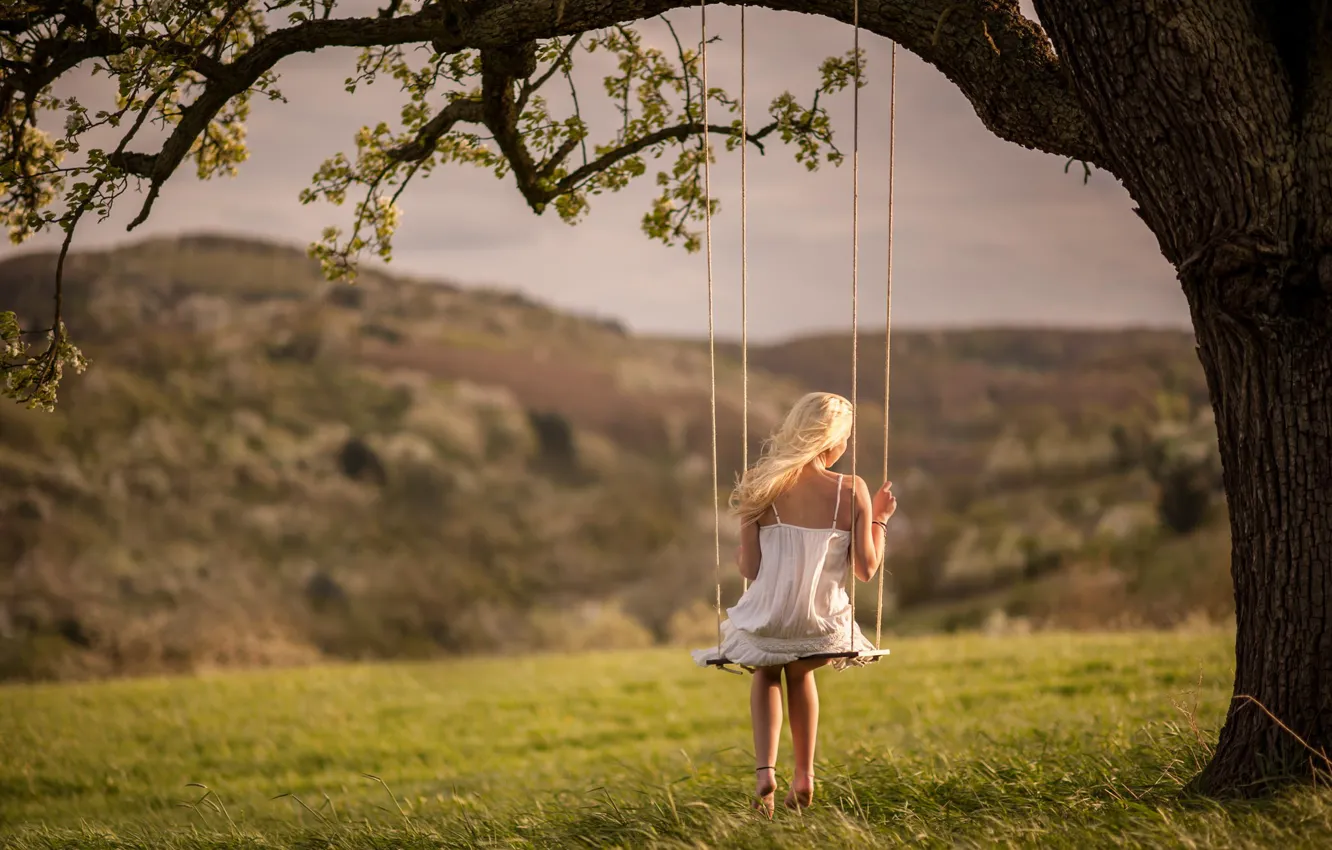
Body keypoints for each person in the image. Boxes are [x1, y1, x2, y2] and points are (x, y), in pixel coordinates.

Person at [692, 391, 897, 816]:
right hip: (821, 620)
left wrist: (746, 546)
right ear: (833, 441)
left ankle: (765, 772)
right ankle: (804, 774)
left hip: (770, 615)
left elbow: (749, 567)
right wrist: (878, 519)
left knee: (767, 673)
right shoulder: (851, 489)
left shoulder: (760, 483)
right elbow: (866, 569)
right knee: (801, 674)